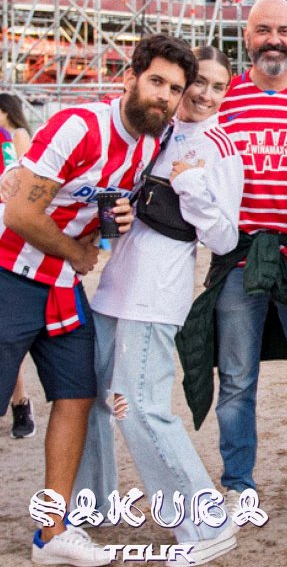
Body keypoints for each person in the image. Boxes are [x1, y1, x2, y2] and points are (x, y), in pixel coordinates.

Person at [0, 33, 192, 567]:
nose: (163, 96)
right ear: (128, 78)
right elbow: (19, 213)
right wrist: (77, 252)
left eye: (174, 89)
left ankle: (50, 532)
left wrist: (116, 224)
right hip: (9, 273)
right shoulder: (80, 125)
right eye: (155, 81)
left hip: (62, 287)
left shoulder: (154, 142)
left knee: (76, 398)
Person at [176, 0, 287, 524]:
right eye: (263, 30)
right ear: (247, 36)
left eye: (283, 30)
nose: (274, 39)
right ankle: (238, 488)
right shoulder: (222, 102)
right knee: (236, 379)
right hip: (238, 260)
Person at [73, 46, 242, 565]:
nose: (206, 95)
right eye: (200, 83)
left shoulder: (220, 147)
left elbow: (226, 235)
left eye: (219, 86)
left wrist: (189, 187)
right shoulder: (155, 132)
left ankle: (206, 523)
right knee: (92, 400)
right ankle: (94, 504)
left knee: (139, 406)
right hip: (113, 287)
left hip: (156, 294)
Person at [0, 93, 36, 439]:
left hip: (7, 230)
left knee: (7, 333)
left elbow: (24, 181)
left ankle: (20, 402)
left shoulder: (16, 137)